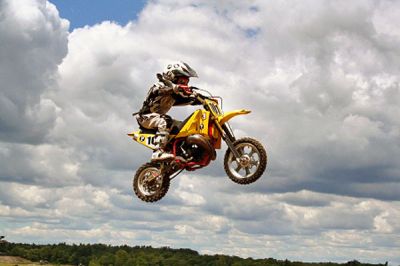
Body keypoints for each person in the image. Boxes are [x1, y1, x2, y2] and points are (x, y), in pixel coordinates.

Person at [135, 61, 201, 161]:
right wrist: (174, 89)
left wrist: (203, 99)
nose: (185, 84)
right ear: (172, 76)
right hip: (145, 117)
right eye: (183, 81)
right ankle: (158, 152)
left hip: (157, 118)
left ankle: (179, 152)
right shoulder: (159, 85)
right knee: (165, 121)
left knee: (185, 127)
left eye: (187, 82)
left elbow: (187, 100)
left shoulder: (175, 94)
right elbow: (160, 91)